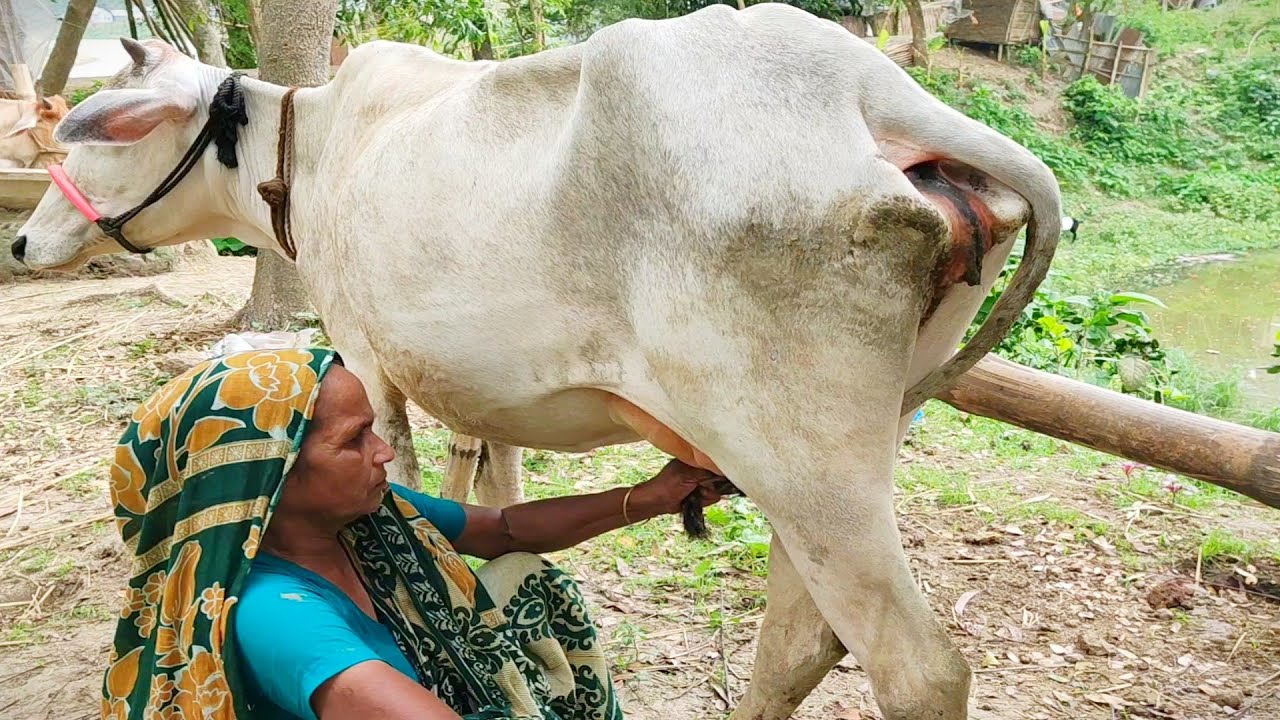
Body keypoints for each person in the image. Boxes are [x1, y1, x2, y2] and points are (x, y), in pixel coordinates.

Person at [101, 347, 726, 720]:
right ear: (270, 481)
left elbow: (504, 528)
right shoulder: (275, 615)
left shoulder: (371, 517)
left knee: (521, 574)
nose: (383, 454)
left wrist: (650, 498)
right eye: (353, 441)